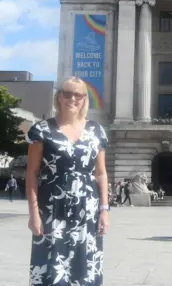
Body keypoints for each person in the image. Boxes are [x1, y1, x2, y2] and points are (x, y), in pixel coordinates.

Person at [26, 76, 110, 286]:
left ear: (84, 99)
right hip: (52, 209)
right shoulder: (42, 130)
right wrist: (34, 214)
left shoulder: (96, 131)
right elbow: (32, 174)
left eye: (78, 94)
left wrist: (104, 210)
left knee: (85, 268)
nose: (72, 98)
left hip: (87, 210)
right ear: (59, 97)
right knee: (52, 268)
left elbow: (101, 173)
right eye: (67, 93)